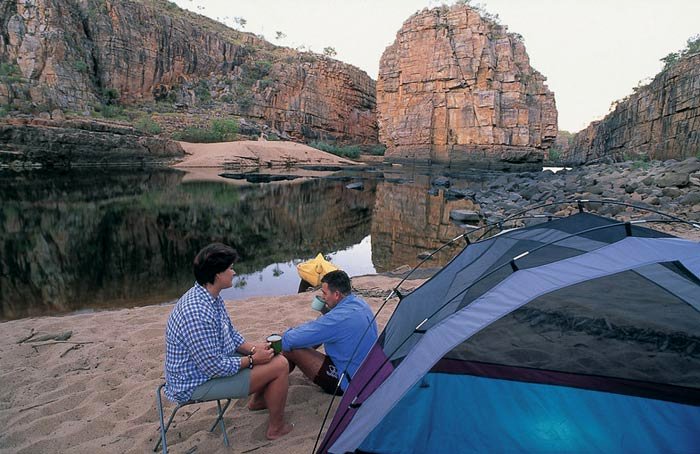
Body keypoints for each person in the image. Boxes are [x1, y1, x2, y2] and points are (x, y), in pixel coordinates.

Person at [164, 243, 293, 440]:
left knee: (272, 354)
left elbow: (230, 334)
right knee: (281, 365)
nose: (234, 272)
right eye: (230, 268)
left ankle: (258, 401)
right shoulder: (198, 313)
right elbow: (214, 367)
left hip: (208, 365)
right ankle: (276, 429)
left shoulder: (209, 295)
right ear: (217, 275)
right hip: (194, 382)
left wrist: (254, 349)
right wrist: (252, 360)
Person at [282, 270, 378, 395]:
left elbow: (290, 340)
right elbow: (336, 323)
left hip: (350, 382)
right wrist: (325, 311)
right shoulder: (360, 303)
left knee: (291, 348)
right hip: (370, 372)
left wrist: (278, 338)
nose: (322, 297)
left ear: (337, 294)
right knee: (314, 334)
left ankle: (271, 383)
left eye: (324, 293)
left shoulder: (337, 319)